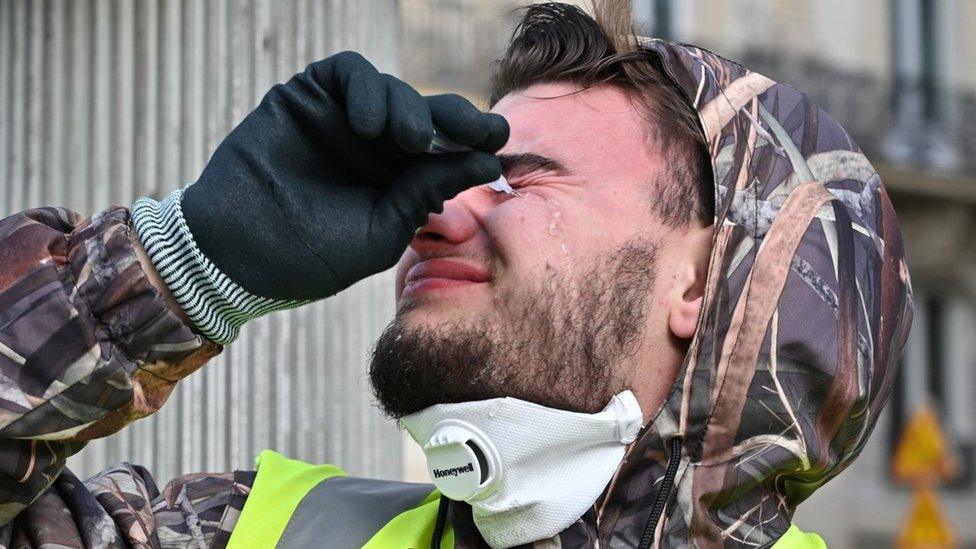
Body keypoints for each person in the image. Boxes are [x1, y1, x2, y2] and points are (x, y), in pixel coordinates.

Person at [0, 1, 913, 547]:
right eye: (453, 177)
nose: (428, 211)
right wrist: (182, 262)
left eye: (518, 179)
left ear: (702, 282)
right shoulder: (256, 530)